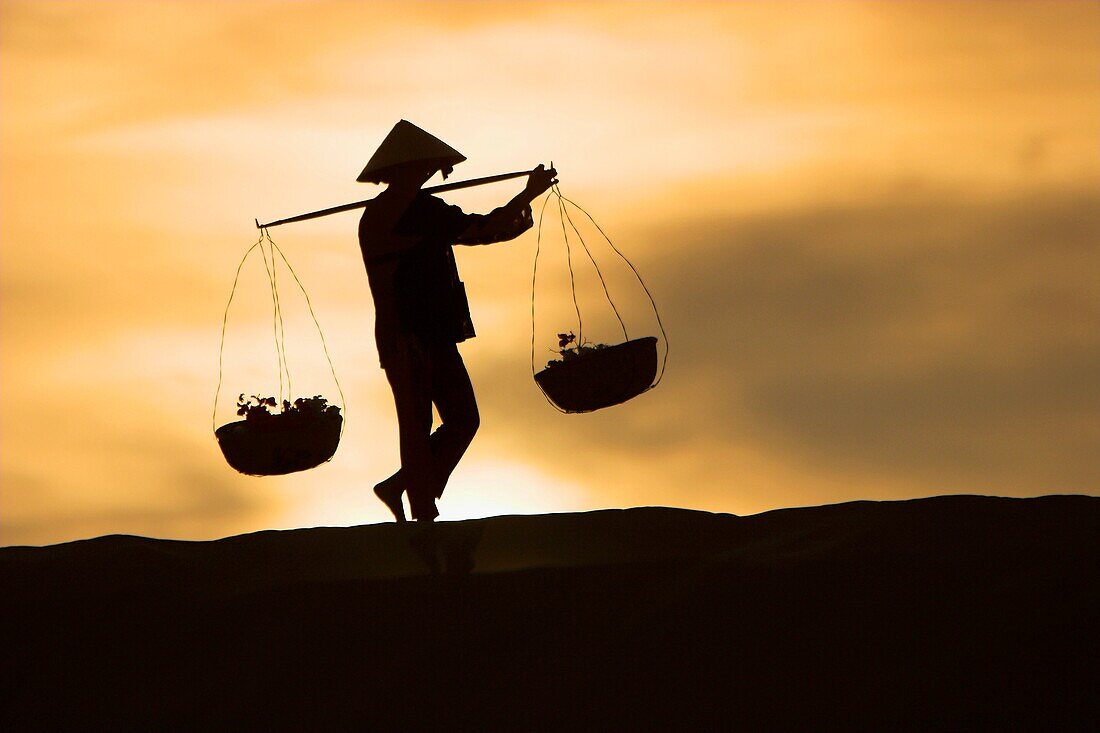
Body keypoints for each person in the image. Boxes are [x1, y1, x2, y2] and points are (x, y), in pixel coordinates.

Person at [356, 120, 557, 522]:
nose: (427, 175)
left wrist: (523, 198)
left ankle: (404, 487)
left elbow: (479, 229)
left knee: (464, 419)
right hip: (404, 335)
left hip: (433, 333)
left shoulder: (418, 209)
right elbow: (480, 229)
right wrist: (527, 194)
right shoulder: (396, 214)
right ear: (399, 172)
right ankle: (422, 507)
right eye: (420, 169)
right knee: (416, 422)